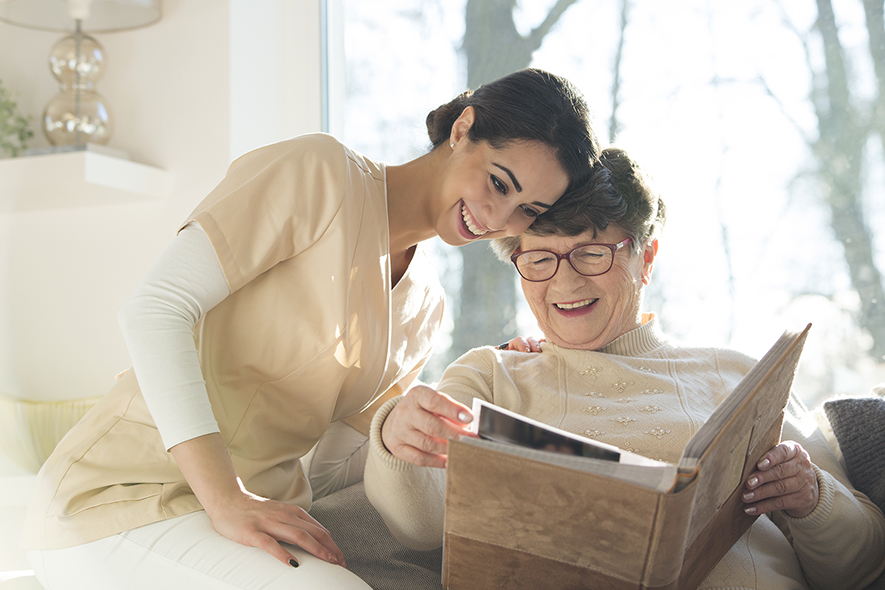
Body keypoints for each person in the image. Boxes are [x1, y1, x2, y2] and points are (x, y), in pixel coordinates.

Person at [21, 68, 604, 590]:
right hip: (119, 501)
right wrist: (226, 499)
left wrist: (418, 429)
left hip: (244, 522)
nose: (499, 219)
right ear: (464, 129)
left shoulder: (425, 305)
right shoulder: (319, 173)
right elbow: (153, 309)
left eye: (527, 211)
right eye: (499, 183)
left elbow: (329, 470)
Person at [363, 147, 885, 590]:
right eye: (540, 259)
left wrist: (812, 496)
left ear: (646, 256)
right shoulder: (491, 375)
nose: (564, 284)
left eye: (592, 254)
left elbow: (863, 565)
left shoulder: (738, 376)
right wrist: (397, 437)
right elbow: (419, 524)